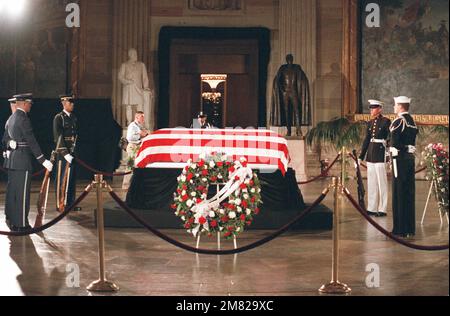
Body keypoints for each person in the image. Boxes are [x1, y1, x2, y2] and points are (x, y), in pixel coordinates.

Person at [5, 94, 53, 232]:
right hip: (22, 161)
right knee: (22, 195)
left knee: (15, 193)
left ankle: (14, 222)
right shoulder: (23, 118)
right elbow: (31, 141)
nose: (30, 105)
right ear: (24, 103)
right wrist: (43, 160)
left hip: (14, 160)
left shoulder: (12, 118)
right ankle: (21, 225)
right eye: (29, 103)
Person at [389, 96, 418, 238]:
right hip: (410, 160)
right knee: (409, 193)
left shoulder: (399, 121)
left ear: (400, 106)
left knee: (398, 194)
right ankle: (410, 228)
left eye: (395, 105)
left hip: (399, 160)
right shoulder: (412, 121)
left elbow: (394, 142)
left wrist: (401, 148)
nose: (394, 108)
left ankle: (399, 229)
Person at [358, 100, 391, 217]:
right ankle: (371, 207)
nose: (371, 110)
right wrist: (361, 156)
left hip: (380, 153)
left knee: (381, 182)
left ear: (380, 109)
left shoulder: (386, 121)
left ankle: (382, 208)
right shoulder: (370, 122)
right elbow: (367, 139)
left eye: (373, 108)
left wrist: (388, 151)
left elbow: (389, 137)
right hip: (371, 154)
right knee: (371, 182)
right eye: (370, 108)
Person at [270, 54, 311, 137]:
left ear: (292, 59)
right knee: (287, 112)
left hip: (293, 92)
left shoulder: (296, 68)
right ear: (286, 60)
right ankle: (288, 130)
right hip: (285, 92)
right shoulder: (283, 68)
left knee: (296, 110)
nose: (289, 60)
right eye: (288, 59)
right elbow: (277, 80)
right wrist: (282, 90)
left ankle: (298, 130)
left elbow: (302, 78)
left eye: (291, 59)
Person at [53, 95, 80, 211]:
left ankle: (70, 203)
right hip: (63, 153)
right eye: (70, 103)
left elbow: (75, 134)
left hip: (72, 151)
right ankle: (60, 204)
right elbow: (58, 137)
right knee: (62, 178)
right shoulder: (59, 118)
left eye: (73, 103)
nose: (72, 105)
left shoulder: (73, 117)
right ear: (64, 104)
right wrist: (65, 153)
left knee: (71, 178)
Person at [118, 48, 154, 126]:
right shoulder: (124, 65)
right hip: (128, 88)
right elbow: (120, 77)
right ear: (130, 55)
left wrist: (146, 87)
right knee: (129, 106)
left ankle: (139, 123)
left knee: (139, 105)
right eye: (134, 54)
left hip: (138, 88)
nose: (136, 56)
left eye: (136, 54)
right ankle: (129, 123)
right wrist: (127, 81)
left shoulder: (141, 65)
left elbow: (144, 77)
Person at [123, 111, 149, 189]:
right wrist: (140, 135)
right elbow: (130, 138)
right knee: (130, 165)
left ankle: (134, 184)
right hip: (132, 147)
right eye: (142, 117)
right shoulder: (132, 125)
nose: (143, 118)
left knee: (137, 164)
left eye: (143, 117)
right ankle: (126, 185)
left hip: (137, 146)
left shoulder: (139, 126)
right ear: (137, 117)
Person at [2, 97, 17, 229]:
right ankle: (10, 214)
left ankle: (11, 214)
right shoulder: (11, 120)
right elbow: (5, 139)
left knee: (13, 189)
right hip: (12, 159)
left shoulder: (15, 119)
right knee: (12, 189)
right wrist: (7, 147)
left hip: (15, 159)